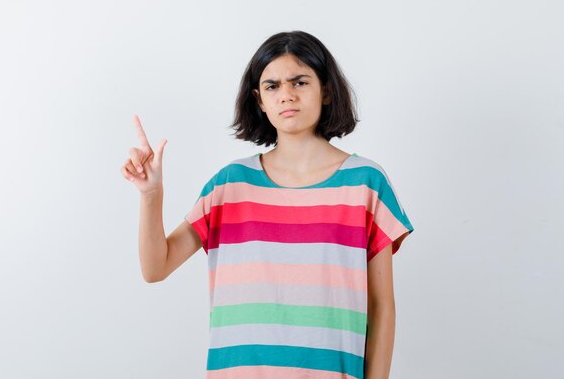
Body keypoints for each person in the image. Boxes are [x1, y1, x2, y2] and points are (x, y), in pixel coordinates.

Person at [121, 30, 415, 379]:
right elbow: (156, 268)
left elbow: (382, 306)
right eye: (272, 86)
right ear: (259, 100)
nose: (286, 95)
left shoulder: (366, 182)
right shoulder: (230, 184)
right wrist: (151, 194)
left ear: (327, 91)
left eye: (300, 82)